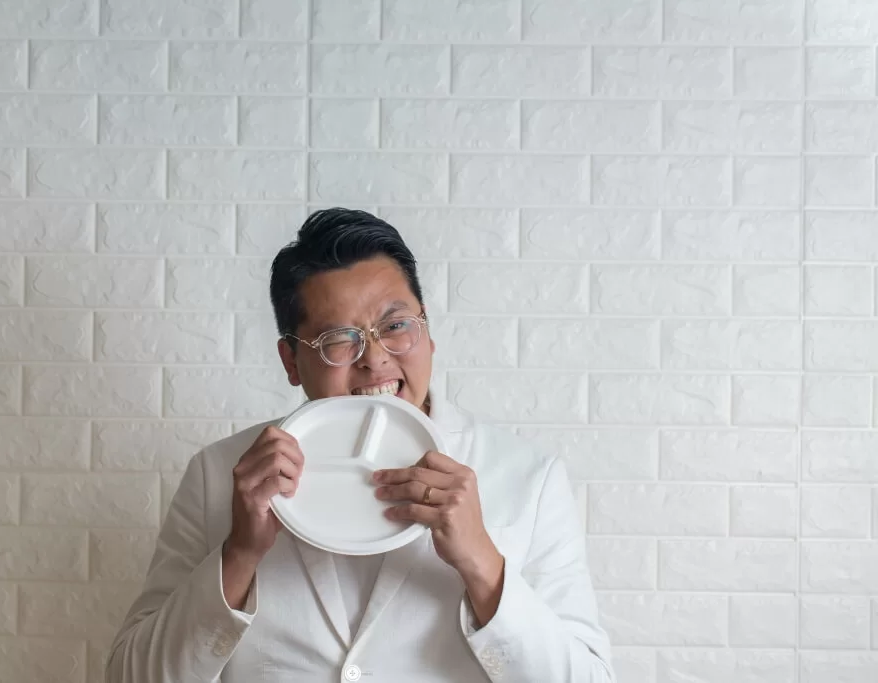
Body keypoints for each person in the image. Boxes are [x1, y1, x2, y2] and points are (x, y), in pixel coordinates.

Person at [105, 208, 615, 682]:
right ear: (290, 361)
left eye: (395, 326)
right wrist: (238, 553)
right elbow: (131, 675)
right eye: (338, 339)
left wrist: (482, 562)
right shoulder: (220, 474)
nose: (375, 358)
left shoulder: (529, 478)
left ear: (428, 332)